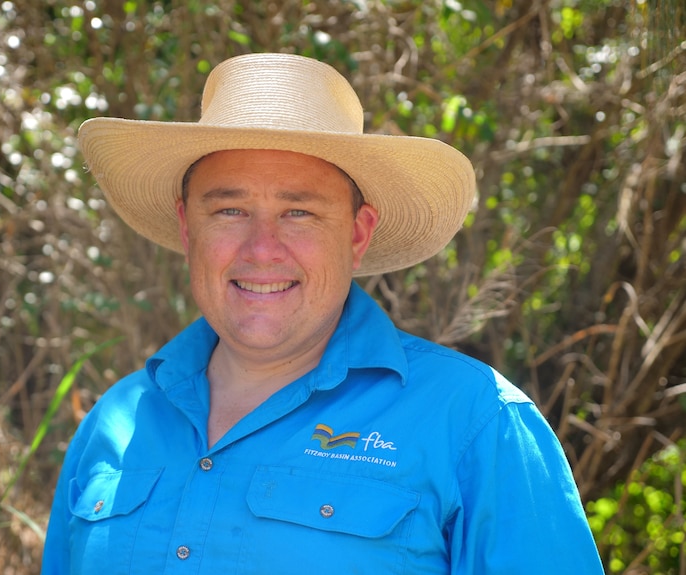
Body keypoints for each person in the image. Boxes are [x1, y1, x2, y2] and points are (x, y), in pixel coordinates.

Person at [41, 53, 604, 574]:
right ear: (188, 227)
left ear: (357, 235)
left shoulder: (476, 420)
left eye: (300, 213)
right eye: (230, 210)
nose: (262, 249)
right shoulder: (114, 422)